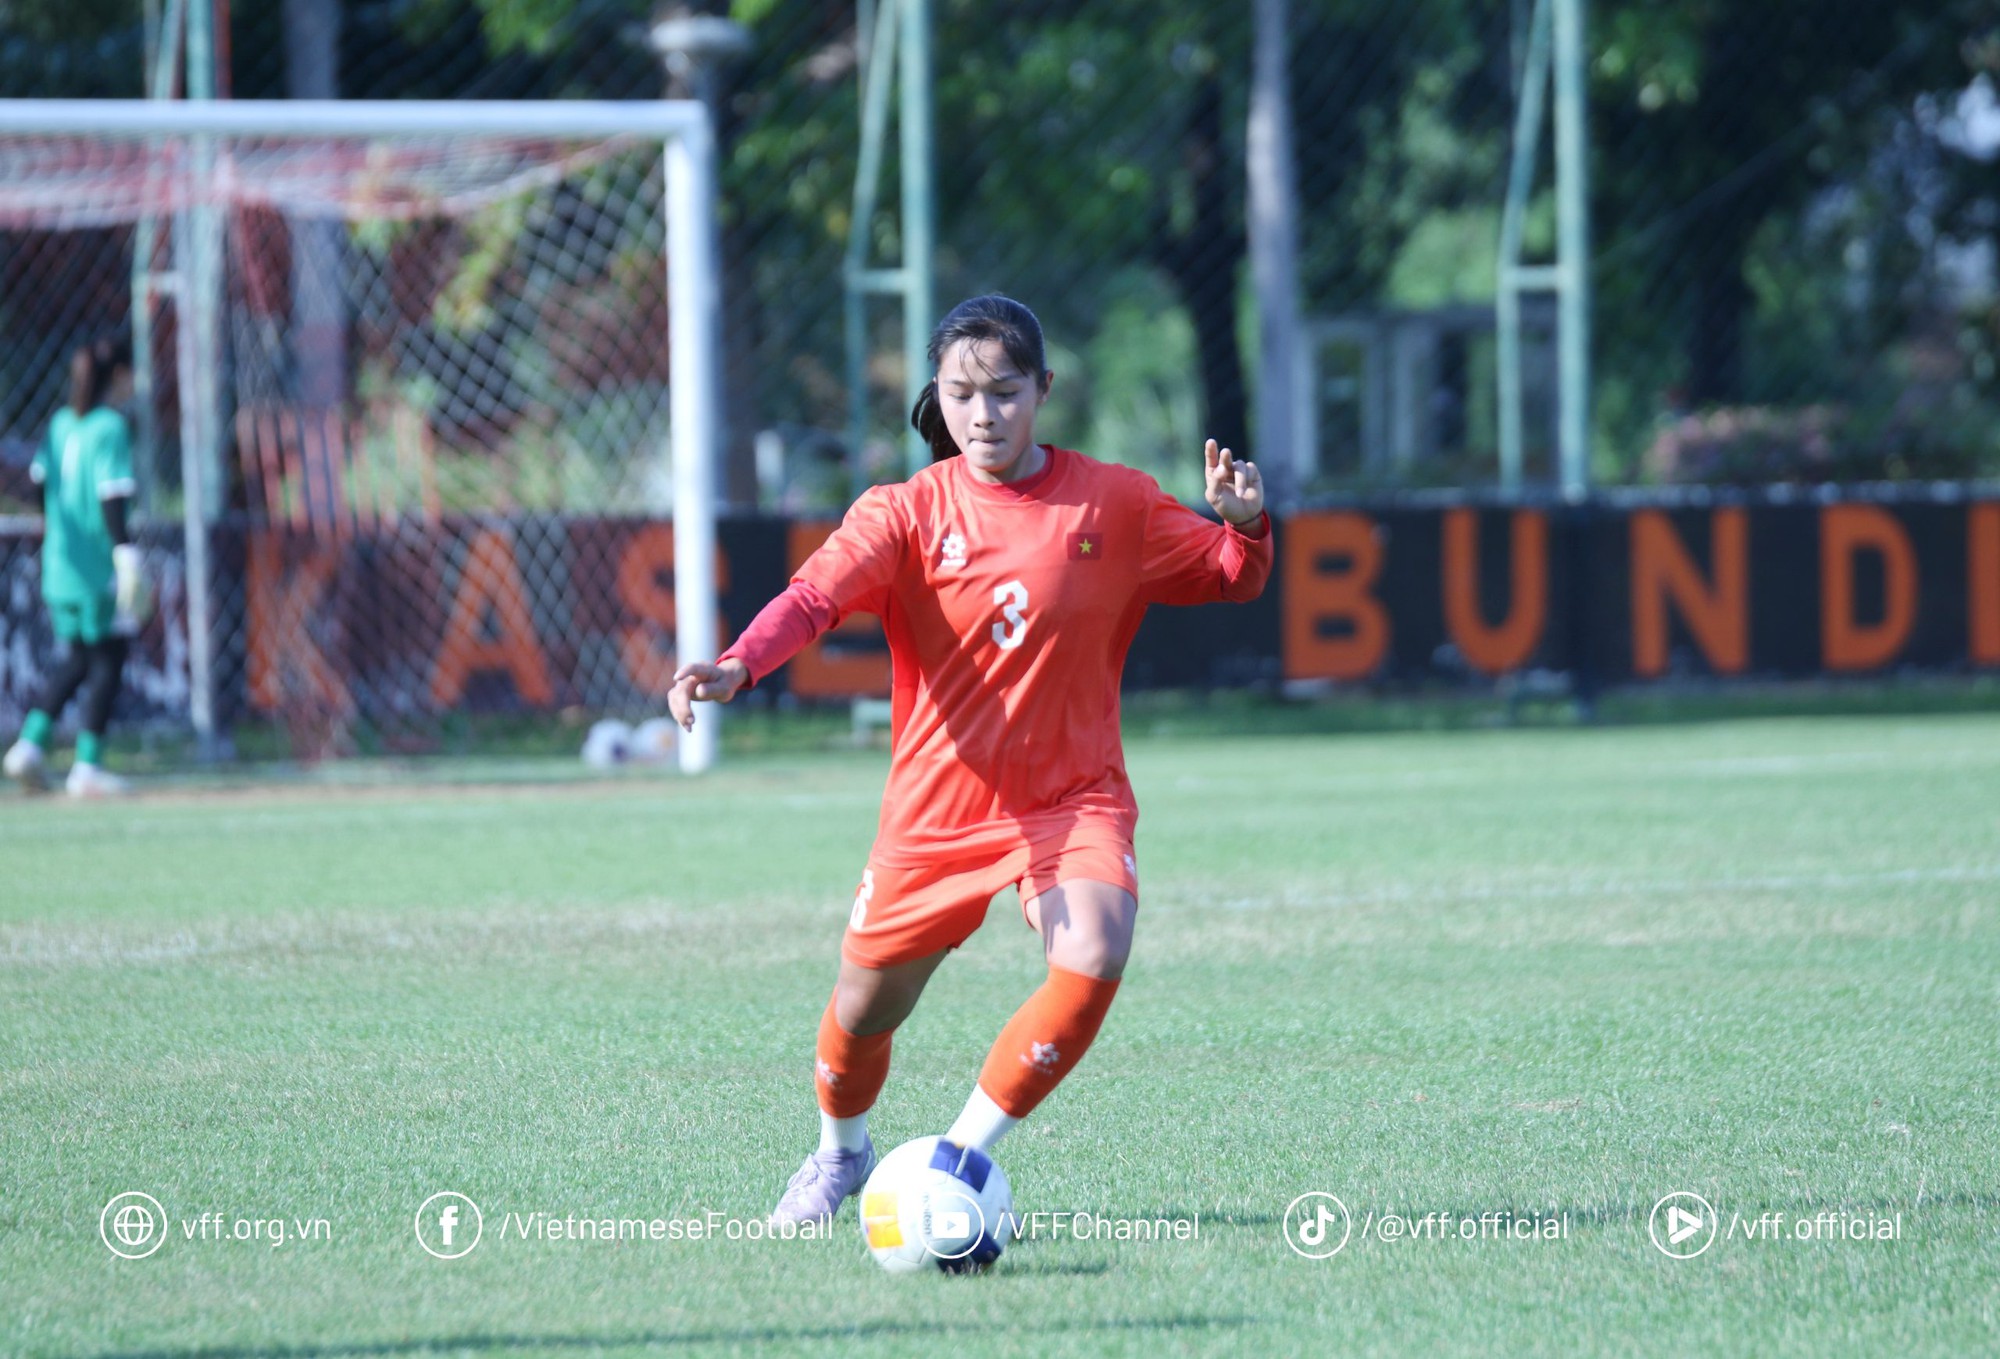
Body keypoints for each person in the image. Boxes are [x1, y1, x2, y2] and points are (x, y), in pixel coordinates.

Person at [668, 295, 1274, 1227]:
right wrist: (741, 661)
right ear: (936, 396)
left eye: (1003, 391)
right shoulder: (905, 512)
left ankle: (955, 1162)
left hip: (1073, 797)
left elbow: (1234, 576)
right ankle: (838, 1159)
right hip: (937, 812)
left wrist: (1245, 526)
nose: (982, 414)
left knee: (1095, 949)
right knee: (863, 1011)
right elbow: (814, 597)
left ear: (1044, 390)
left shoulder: (1113, 500)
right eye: (961, 393)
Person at [3, 335, 148, 797]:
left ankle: (29, 746)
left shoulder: (62, 424)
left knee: (81, 658)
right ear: (120, 375)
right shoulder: (109, 427)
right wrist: (125, 555)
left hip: (57, 565)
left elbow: (34, 488)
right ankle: (87, 765)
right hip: (94, 566)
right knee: (108, 655)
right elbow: (112, 495)